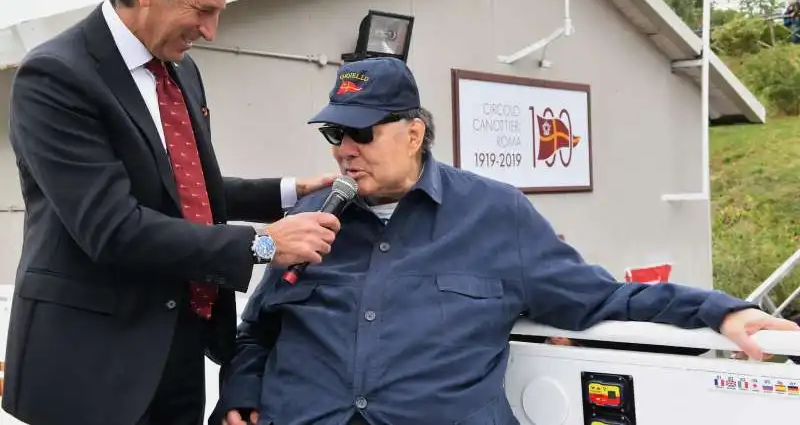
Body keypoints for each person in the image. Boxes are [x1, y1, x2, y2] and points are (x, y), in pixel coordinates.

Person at [215, 57, 800, 425]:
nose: (344, 148)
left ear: (414, 132)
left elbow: (601, 298)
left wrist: (722, 312)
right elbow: (258, 327)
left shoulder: (495, 215)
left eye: (361, 131)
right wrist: (240, 392)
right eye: (334, 132)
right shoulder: (312, 218)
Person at [2, 0, 341, 425]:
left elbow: (176, 188)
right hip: (88, 370)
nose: (210, 30)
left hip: (176, 354)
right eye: (202, 10)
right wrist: (264, 243)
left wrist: (288, 192)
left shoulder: (181, 69)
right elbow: (112, 227)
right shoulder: (55, 78)